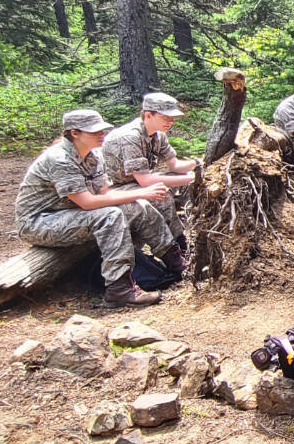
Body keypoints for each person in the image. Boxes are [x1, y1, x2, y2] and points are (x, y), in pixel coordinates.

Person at [15, 110, 185, 307]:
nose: (101, 134)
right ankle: (120, 290)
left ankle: (177, 264)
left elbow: (105, 194)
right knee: (110, 216)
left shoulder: (93, 156)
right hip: (39, 222)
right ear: (74, 133)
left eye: (102, 130)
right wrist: (141, 192)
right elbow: (87, 202)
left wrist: (140, 197)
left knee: (139, 207)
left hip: (70, 213)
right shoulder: (59, 159)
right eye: (94, 131)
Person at [101, 92, 198, 252]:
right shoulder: (130, 136)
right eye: (165, 117)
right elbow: (145, 181)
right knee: (162, 196)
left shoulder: (158, 136)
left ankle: (181, 240)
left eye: (172, 118)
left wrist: (198, 164)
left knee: (175, 183)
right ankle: (176, 247)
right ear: (148, 115)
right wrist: (189, 178)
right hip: (114, 188)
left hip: (134, 183)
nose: (170, 122)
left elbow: (174, 166)